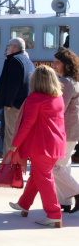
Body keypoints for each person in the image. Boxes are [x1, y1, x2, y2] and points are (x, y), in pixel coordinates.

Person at [9, 65, 66, 228]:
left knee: (44, 179)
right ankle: (24, 204)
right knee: (37, 176)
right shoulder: (58, 97)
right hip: (56, 144)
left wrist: (15, 144)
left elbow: (27, 123)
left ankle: (54, 214)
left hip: (41, 146)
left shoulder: (35, 97)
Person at [0, 37, 33, 163]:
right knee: (18, 135)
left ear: (14, 47)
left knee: (10, 135)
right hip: (24, 104)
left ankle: (9, 165)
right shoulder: (27, 61)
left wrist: (8, 103)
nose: (7, 49)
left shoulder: (14, 60)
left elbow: (13, 84)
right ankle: (14, 162)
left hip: (14, 106)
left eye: (8, 46)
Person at [52, 47, 79, 213]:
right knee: (64, 165)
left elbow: (60, 108)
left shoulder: (67, 82)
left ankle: (76, 192)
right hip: (70, 130)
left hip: (66, 130)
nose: (54, 65)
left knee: (56, 167)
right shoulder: (71, 80)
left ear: (66, 64)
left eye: (57, 62)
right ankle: (64, 202)